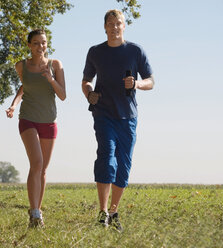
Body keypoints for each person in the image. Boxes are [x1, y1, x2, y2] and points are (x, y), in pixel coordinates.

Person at [81, 9, 154, 231]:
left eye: (118, 23)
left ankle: (113, 212)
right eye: (110, 24)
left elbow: (150, 81)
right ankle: (102, 213)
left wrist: (137, 84)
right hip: (103, 113)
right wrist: (89, 93)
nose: (114, 27)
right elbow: (86, 80)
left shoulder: (135, 51)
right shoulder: (95, 52)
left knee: (123, 165)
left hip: (128, 116)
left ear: (124, 26)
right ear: (104, 27)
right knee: (106, 157)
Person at [6, 29, 66, 228]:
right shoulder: (20, 66)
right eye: (36, 43)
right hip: (28, 119)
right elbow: (24, 88)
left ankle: (36, 214)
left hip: (49, 121)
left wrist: (50, 78)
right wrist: (14, 105)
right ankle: (34, 212)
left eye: (44, 43)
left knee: (42, 169)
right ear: (29, 46)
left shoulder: (55, 65)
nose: (41, 47)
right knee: (37, 163)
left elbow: (63, 95)